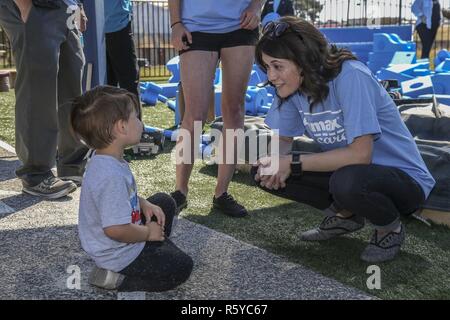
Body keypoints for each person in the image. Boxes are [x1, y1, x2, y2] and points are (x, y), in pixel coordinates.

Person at [252, 17, 435, 263]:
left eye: (277, 66)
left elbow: (361, 155)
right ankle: (346, 216)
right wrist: (275, 162)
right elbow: (283, 139)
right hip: (353, 172)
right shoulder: (290, 86)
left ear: (303, 60)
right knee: (264, 168)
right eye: (267, 67)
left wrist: (292, 162)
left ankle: (390, 229)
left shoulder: (350, 76)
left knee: (346, 180)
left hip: (404, 180)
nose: (271, 75)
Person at [71, 86, 193, 291]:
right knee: (182, 266)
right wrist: (147, 233)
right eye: (136, 117)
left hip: (124, 236)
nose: (140, 122)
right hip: (119, 253)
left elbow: (118, 200)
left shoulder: (105, 158)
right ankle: (118, 279)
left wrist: (143, 203)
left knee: (164, 202)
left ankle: (156, 245)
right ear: (122, 127)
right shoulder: (110, 176)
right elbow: (115, 229)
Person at [168, 0, 264, 218]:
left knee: (234, 110)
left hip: (241, 25)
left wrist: (257, 6)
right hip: (195, 27)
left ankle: (221, 193)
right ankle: (180, 190)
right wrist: (175, 23)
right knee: (195, 114)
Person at [0, 0, 89, 199]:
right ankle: (35, 173)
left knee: (72, 85)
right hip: (34, 6)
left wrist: (79, 6)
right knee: (38, 90)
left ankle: (72, 164)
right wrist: (24, 6)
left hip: (66, 8)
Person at [104, 0, 140, 100]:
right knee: (127, 83)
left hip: (117, 24)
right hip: (114, 24)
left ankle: (132, 114)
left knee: (127, 84)